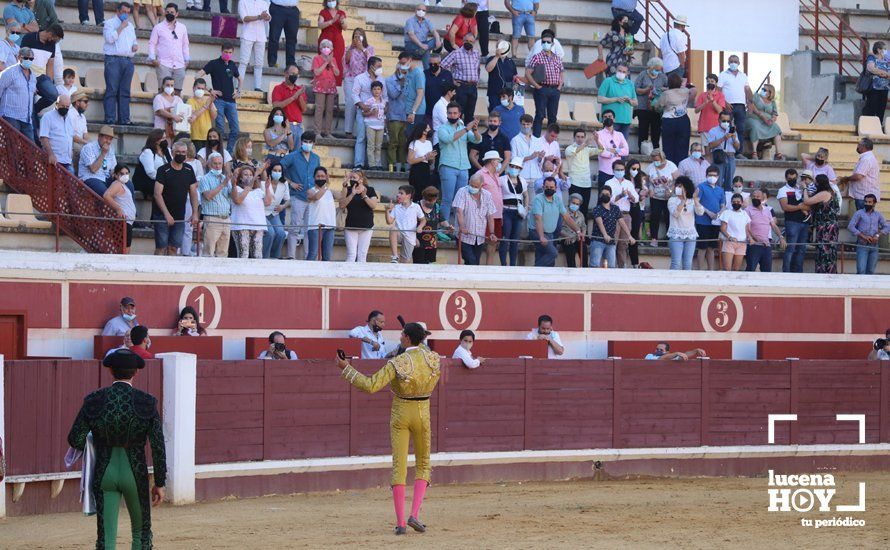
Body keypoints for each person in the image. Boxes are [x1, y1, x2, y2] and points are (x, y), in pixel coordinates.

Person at [336, 322, 440, 535]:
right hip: (423, 413)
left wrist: (346, 368)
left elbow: (371, 385)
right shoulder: (435, 359)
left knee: (399, 467)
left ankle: (401, 523)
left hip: (401, 413)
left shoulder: (397, 362)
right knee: (423, 463)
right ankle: (415, 514)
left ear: (408, 338)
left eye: (402, 334)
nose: (400, 337)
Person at [67, 349, 166, 549]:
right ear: (136, 372)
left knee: (106, 537)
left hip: (104, 473)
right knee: (141, 533)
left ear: (110, 370)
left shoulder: (94, 400)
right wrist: (160, 482)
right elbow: (157, 445)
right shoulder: (147, 402)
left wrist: (95, 439)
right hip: (135, 473)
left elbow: (75, 438)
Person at [153, 140, 199, 256]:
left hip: (179, 216)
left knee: (174, 248)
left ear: (187, 153)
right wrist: (166, 214)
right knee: (161, 248)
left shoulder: (189, 170)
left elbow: (193, 192)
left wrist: (195, 213)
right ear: (172, 153)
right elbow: (157, 194)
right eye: (178, 152)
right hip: (161, 215)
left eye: (183, 152)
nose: (181, 154)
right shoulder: (163, 170)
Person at [438, 102, 482, 223]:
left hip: (463, 167)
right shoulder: (442, 128)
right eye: (450, 113)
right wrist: (466, 129)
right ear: (446, 114)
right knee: (447, 199)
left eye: (455, 113)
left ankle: (459, 228)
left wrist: (475, 130)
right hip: (448, 166)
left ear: (459, 114)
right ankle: (444, 229)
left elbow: (477, 140)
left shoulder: (463, 127)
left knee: (462, 200)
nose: (452, 115)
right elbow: (448, 139)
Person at [280, 131, 320, 259]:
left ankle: (308, 257)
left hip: (312, 198)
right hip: (298, 196)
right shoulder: (293, 156)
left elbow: (318, 176)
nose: (307, 144)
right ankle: (291, 256)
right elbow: (280, 166)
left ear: (313, 143)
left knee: (309, 229)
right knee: (294, 228)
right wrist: (290, 182)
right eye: (305, 141)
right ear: (301, 142)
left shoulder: (316, 158)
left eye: (310, 142)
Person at [20, 24, 63, 142]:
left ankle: (34, 108)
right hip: (27, 76)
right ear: (50, 34)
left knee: (53, 94)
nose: (56, 42)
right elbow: (21, 59)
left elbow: (50, 65)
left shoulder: (52, 44)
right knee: (30, 111)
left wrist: (49, 81)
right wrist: (28, 80)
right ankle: (35, 141)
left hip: (41, 77)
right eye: (56, 39)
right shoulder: (29, 38)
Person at [199, 43, 241, 155]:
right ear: (221, 52)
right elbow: (197, 76)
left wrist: (238, 91)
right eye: (226, 52)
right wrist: (210, 90)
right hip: (219, 101)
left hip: (231, 101)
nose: (228, 54)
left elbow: (240, 79)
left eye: (230, 52)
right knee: (220, 129)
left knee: (235, 129)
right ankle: (220, 152)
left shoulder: (232, 65)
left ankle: (228, 152)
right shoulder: (214, 63)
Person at [530, 177, 582, 267]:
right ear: (543, 187)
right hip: (537, 232)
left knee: (545, 258)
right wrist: (541, 237)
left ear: (556, 188)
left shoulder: (557, 199)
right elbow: (538, 219)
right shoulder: (538, 199)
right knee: (553, 253)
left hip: (550, 233)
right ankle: (534, 270)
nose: (549, 189)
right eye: (547, 187)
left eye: (551, 187)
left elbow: (567, 217)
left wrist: (578, 230)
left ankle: (540, 278)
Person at [103, 3, 137, 126]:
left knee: (125, 92)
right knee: (112, 89)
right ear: (117, 11)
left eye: (128, 12)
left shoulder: (131, 25)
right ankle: (110, 118)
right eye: (123, 11)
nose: (126, 14)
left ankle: (124, 119)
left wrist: (135, 46)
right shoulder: (110, 23)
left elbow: (134, 40)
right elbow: (109, 39)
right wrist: (121, 27)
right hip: (113, 60)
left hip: (128, 60)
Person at [452, 173, 497, 265]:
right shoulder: (462, 191)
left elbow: (490, 216)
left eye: (475, 186)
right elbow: (459, 211)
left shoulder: (487, 195)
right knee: (471, 261)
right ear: (469, 182)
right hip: (464, 236)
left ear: (481, 185)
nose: (473, 187)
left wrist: (492, 233)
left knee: (475, 263)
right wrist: (462, 227)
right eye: (471, 185)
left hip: (479, 237)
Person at [525, 33, 564, 137]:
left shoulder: (557, 58)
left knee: (553, 117)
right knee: (540, 115)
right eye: (543, 42)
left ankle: (551, 139)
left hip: (555, 89)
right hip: (542, 88)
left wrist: (559, 87)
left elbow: (561, 73)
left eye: (548, 42)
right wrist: (537, 86)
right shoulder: (537, 57)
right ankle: (536, 139)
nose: (545, 43)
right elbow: (528, 73)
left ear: (552, 44)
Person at [231, 165, 272, 259]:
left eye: (251, 174)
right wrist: (252, 181)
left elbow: (267, 202)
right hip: (242, 226)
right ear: (240, 178)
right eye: (245, 174)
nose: (248, 176)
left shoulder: (258, 191)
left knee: (257, 255)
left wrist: (267, 188)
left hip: (258, 226)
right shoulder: (237, 189)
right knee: (243, 255)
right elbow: (238, 200)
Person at [147, 4, 189, 95]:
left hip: (179, 64)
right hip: (163, 64)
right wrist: (152, 58)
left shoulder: (182, 27)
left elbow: (185, 44)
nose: (169, 14)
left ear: (177, 14)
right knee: (163, 91)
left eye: (172, 12)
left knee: (177, 92)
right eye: (167, 12)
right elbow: (151, 43)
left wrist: (187, 59)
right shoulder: (158, 27)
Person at [441, 33, 481, 124]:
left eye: (471, 41)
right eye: (466, 41)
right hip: (461, 87)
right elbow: (442, 67)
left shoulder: (476, 53)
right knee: (458, 113)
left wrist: (477, 81)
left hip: (473, 88)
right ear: (463, 41)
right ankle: (457, 135)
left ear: (474, 43)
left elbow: (478, 69)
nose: (468, 43)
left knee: (470, 115)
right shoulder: (456, 53)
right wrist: (452, 81)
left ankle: (467, 136)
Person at [804, 174, 840, 274]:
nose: (815, 184)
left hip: (826, 226)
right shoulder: (831, 192)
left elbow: (807, 201)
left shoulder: (825, 193)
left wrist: (804, 188)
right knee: (827, 251)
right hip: (827, 225)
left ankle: (825, 273)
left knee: (824, 251)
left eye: (816, 182)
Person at [605, 160, 638, 268]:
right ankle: (611, 266)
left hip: (626, 215)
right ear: (613, 170)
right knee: (612, 242)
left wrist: (631, 197)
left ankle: (622, 267)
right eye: (617, 170)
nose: (620, 171)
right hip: (613, 215)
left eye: (622, 170)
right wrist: (620, 195)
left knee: (623, 244)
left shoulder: (628, 183)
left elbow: (636, 199)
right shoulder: (609, 183)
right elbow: (607, 200)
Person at [198, 152, 233, 258]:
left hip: (226, 219)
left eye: (220, 163)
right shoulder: (204, 179)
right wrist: (222, 184)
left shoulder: (225, 178)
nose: (218, 166)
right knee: (208, 252)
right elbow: (208, 196)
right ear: (209, 164)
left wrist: (234, 183)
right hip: (212, 219)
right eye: (215, 163)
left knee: (223, 253)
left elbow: (231, 196)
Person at [340, 169, 378, 262]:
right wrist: (352, 194)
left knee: (362, 255)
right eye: (351, 177)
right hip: (350, 226)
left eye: (354, 177)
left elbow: (373, 205)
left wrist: (364, 195)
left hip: (366, 227)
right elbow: (342, 205)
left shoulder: (370, 190)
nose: (352, 179)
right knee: (351, 254)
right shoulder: (347, 189)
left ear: (361, 179)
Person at [352, 56, 384, 169]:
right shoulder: (359, 78)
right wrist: (362, 106)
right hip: (363, 112)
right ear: (371, 67)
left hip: (377, 117)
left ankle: (376, 164)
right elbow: (354, 94)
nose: (380, 68)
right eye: (378, 66)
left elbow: (385, 97)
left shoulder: (381, 79)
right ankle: (359, 163)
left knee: (377, 142)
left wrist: (383, 111)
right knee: (361, 137)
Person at [343, 29, 375, 136]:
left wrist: (362, 49)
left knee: (363, 103)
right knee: (350, 104)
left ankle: (361, 132)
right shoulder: (349, 48)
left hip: (364, 79)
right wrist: (351, 48)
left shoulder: (369, 48)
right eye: (355, 36)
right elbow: (346, 61)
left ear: (363, 37)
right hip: (351, 78)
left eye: (359, 35)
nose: (357, 38)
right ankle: (348, 131)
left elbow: (372, 61)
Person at [717, 55, 752, 153]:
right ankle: (725, 150)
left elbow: (747, 89)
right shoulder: (723, 74)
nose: (733, 63)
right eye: (731, 61)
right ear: (728, 63)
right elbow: (718, 91)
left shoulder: (743, 75)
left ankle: (739, 152)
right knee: (725, 128)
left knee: (740, 129)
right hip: (728, 106)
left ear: (739, 63)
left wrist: (750, 102)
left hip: (741, 106)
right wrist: (724, 102)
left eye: (735, 61)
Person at [666, 176, 702, 270]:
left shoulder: (692, 201)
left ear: (686, 187)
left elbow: (700, 212)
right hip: (676, 234)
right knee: (676, 263)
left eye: (680, 186)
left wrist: (695, 200)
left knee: (688, 263)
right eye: (677, 186)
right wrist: (682, 201)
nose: (678, 188)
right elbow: (675, 214)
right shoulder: (672, 200)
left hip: (690, 235)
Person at [745, 188, 785, 273]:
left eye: (758, 197)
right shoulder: (747, 210)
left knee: (767, 272)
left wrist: (781, 237)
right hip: (754, 245)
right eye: (754, 196)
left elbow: (773, 225)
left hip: (766, 245)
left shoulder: (767, 210)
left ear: (763, 198)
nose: (755, 198)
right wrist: (756, 239)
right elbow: (746, 227)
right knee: (750, 270)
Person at [655, 73, 690, 166]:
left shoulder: (666, 94)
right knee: (683, 146)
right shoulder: (685, 91)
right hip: (684, 120)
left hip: (669, 121)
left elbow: (658, 106)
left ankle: (670, 167)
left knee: (668, 146)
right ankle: (681, 167)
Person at [693, 165, 724, 270]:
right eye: (710, 175)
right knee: (702, 247)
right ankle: (700, 270)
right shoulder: (701, 187)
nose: (712, 177)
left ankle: (711, 270)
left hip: (715, 222)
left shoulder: (720, 190)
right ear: (706, 175)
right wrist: (709, 212)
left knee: (711, 247)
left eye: (714, 175)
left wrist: (719, 213)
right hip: (702, 221)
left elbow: (723, 205)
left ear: (718, 176)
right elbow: (696, 201)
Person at [476, 151, 505, 263]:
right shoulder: (480, 174)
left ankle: (489, 266)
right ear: (492, 161)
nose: (498, 163)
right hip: (485, 214)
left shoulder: (496, 175)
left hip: (497, 214)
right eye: (497, 161)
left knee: (493, 241)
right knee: (483, 240)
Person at [590, 186, 630, 268]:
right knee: (594, 265)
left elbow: (622, 223)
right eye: (603, 194)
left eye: (607, 194)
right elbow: (599, 222)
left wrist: (629, 236)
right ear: (600, 195)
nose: (605, 195)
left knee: (611, 267)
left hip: (611, 242)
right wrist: (605, 235)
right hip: (598, 240)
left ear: (611, 196)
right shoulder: (597, 208)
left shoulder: (615, 208)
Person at [849, 194, 890, 274]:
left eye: (869, 202)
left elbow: (887, 227)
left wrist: (877, 235)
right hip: (862, 245)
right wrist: (862, 236)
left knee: (871, 271)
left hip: (874, 246)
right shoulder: (859, 213)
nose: (867, 204)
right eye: (866, 202)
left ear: (874, 203)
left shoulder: (878, 214)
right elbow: (850, 226)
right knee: (861, 270)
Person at [563, 128, 600, 215]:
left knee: (584, 209)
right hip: (574, 183)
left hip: (587, 183)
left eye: (582, 137)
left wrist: (597, 140)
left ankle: (584, 228)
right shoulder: (569, 148)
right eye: (578, 137)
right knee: (573, 209)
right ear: (574, 137)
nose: (580, 139)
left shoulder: (587, 149)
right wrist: (586, 144)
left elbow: (601, 150)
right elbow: (574, 152)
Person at [778, 169, 809, 273]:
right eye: (790, 178)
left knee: (801, 249)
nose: (792, 180)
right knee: (791, 249)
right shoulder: (783, 190)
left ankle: (798, 272)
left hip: (804, 222)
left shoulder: (802, 189)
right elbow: (785, 207)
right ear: (786, 178)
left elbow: (809, 205)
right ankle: (787, 272)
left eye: (794, 178)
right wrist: (800, 207)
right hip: (792, 222)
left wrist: (800, 207)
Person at [634, 57, 667, 153]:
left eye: (659, 70)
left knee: (656, 131)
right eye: (656, 69)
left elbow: (667, 88)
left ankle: (656, 152)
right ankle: (642, 150)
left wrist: (661, 90)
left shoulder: (663, 76)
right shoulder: (642, 75)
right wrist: (646, 90)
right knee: (643, 131)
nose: (658, 71)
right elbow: (636, 89)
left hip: (657, 108)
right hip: (643, 107)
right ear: (651, 67)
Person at [647, 148, 679, 246]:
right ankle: (654, 238)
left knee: (668, 217)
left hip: (668, 197)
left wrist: (670, 191)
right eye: (654, 160)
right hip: (656, 197)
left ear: (662, 158)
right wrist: (651, 189)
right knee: (654, 216)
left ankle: (669, 238)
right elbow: (648, 182)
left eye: (657, 160)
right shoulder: (650, 167)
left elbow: (678, 181)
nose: (656, 162)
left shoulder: (671, 165)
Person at [498, 157, 527, 266]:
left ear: (520, 169)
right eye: (512, 166)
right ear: (509, 166)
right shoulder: (502, 179)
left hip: (518, 212)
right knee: (505, 238)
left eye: (517, 167)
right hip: (506, 210)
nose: (514, 168)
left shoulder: (522, 180)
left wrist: (526, 207)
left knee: (515, 240)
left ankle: (513, 265)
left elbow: (526, 195)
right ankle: (504, 264)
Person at [0, 48, 34, 139]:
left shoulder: (33, 76)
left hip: (26, 119)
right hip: (10, 116)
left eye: (31, 59)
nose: (29, 61)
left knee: (31, 149)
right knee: (12, 148)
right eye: (26, 58)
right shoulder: (9, 72)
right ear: (19, 57)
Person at [386, 185, 426, 263]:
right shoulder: (396, 207)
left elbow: (423, 220)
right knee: (393, 229)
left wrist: (420, 227)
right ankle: (394, 256)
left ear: (409, 196)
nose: (398, 195)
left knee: (405, 262)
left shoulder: (416, 207)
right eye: (398, 193)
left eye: (401, 193)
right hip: (399, 234)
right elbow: (389, 222)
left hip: (410, 237)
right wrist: (387, 210)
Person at [305, 166, 338, 261]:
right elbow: (316, 197)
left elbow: (342, 198)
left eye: (323, 176)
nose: (320, 178)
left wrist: (345, 186)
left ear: (326, 177)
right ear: (314, 177)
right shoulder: (310, 191)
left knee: (327, 255)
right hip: (315, 226)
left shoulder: (330, 192)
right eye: (318, 176)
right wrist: (326, 186)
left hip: (329, 226)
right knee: (313, 253)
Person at [840, 138, 881, 211]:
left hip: (864, 195)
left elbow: (858, 176)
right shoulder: (868, 157)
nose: (857, 146)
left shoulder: (866, 159)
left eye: (859, 144)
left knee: (864, 219)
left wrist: (846, 178)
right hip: (865, 195)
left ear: (864, 147)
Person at [270, 64, 307, 146]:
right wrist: (293, 97)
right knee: (283, 152)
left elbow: (304, 109)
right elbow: (276, 106)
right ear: (285, 74)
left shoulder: (299, 90)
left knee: (296, 155)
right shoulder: (278, 88)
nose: (294, 76)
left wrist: (299, 95)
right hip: (283, 125)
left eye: (296, 74)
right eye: (292, 74)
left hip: (298, 127)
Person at [239, 0, 270, 93]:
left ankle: (257, 87)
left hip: (261, 35)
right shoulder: (243, 2)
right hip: (247, 34)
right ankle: (238, 86)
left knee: (259, 64)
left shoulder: (264, 2)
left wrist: (266, 17)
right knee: (243, 62)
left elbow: (268, 18)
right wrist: (260, 17)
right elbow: (245, 18)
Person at [103, 164, 137, 250]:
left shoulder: (123, 185)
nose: (125, 175)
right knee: (124, 250)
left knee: (126, 249)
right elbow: (107, 196)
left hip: (128, 222)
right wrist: (118, 209)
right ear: (116, 175)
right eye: (122, 173)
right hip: (123, 221)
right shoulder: (117, 184)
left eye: (127, 173)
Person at [747, 83, 784, 160]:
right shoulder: (756, 96)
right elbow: (751, 105)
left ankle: (778, 154)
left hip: (767, 122)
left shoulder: (772, 102)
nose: (762, 91)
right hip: (754, 118)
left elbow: (775, 114)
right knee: (755, 126)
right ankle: (754, 152)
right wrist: (761, 115)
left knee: (776, 128)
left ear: (770, 93)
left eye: (764, 90)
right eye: (762, 89)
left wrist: (772, 120)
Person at [705, 110, 740, 191]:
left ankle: (727, 200)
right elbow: (711, 145)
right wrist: (724, 138)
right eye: (724, 121)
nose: (726, 123)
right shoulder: (713, 131)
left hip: (731, 157)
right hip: (719, 157)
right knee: (718, 182)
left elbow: (738, 147)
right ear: (719, 120)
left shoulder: (733, 131)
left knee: (729, 182)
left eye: (728, 121)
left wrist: (734, 139)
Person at [38, 95, 75, 172]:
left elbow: (70, 137)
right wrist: (51, 154)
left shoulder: (70, 118)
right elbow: (44, 137)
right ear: (57, 104)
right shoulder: (48, 116)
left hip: (67, 160)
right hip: (54, 160)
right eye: (62, 106)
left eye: (67, 107)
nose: (65, 108)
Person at [414, 186, 450, 264]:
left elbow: (442, 220)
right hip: (418, 241)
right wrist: (414, 238)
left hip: (432, 242)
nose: (432, 203)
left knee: (430, 264)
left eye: (434, 200)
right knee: (418, 264)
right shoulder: (416, 206)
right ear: (424, 197)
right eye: (429, 201)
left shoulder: (436, 207)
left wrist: (448, 227)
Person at [596, 111, 630, 192]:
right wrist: (617, 151)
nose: (608, 118)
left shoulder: (619, 134)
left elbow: (626, 151)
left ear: (614, 119)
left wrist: (611, 150)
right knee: (603, 197)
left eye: (610, 116)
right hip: (604, 171)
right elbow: (602, 152)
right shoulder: (598, 134)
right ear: (602, 119)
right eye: (605, 117)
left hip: (617, 171)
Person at [313, 39, 340, 138]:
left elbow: (337, 73)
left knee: (329, 110)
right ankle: (317, 132)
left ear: (331, 49)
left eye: (328, 47)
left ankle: (328, 132)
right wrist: (325, 62)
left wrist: (331, 63)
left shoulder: (333, 60)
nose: (326, 48)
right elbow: (317, 72)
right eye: (324, 46)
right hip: (320, 87)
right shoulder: (316, 58)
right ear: (320, 48)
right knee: (319, 109)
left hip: (331, 87)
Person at [79, 126, 117, 197]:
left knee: (127, 185)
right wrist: (103, 153)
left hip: (105, 178)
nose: (108, 142)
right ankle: (114, 208)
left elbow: (113, 169)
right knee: (106, 194)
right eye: (106, 138)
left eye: (110, 139)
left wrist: (117, 176)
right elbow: (93, 169)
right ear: (99, 136)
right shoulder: (88, 148)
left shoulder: (111, 149)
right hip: (91, 178)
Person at [717, 193, 751, 272]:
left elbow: (747, 229)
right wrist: (729, 237)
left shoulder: (745, 214)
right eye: (734, 201)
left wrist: (750, 238)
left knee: (736, 269)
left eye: (738, 202)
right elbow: (722, 228)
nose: (736, 203)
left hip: (742, 243)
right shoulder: (727, 213)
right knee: (727, 269)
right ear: (731, 202)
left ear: (742, 203)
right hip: (729, 242)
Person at [386, 60, 409, 172]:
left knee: (403, 143)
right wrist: (401, 83)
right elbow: (393, 95)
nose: (404, 73)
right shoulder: (389, 80)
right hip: (394, 115)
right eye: (403, 70)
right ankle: (391, 165)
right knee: (393, 142)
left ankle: (402, 166)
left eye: (406, 71)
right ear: (397, 69)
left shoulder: (409, 79)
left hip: (406, 115)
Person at [510, 114, 545, 189]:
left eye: (528, 124)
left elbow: (539, 162)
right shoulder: (515, 140)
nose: (525, 126)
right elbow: (513, 160)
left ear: (532, 124)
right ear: (520, 124)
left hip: (536, 176)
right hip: (522, 176)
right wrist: (530, 157)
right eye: (523, 124)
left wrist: (540, 158)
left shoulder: (537, 140)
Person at [263, 164, 289, 258]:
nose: (277, 172)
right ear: (270, 171)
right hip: (262, 213)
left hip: (274, 213)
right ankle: (264, 257)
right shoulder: (263, 181)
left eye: (279, 171)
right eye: (275, 170)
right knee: (270, 233)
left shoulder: (284, 183)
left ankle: (274, 257)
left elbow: (288, 200)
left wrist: (282, 206)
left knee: (281, 234)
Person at [317, 0, 346, 86]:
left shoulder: (341, 13)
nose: (331, 2)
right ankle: (322, 83)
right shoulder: (323, 12)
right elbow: (320, 25)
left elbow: (345, 27)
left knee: (337, 61)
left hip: (338, 41)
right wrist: (331, 21)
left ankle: (336, 84)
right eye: (329, 0)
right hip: (325, 39)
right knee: (324, 60)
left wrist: (342, 21)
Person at [404, 4, 441, 68]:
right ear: (415, 11)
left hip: (423, 45)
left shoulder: (427, 21)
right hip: (411, 45)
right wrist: (421, 45)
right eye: (419, 9)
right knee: (426, 51)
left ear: (425, 12)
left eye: (423, 10)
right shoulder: (410, 21)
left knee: (438, 40)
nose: (421, 11)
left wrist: (438, 40)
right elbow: (411, 35)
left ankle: (422, 51)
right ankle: (427, 73)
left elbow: (434, 32)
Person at [485, 41, 517, 112]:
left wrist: (516, 80)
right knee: (494, 113)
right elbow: (488, 69)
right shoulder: (491, 58)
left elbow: (515, 75)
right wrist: (497, 56)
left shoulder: (510, 61)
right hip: (494, 93)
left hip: (507, 94)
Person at [267, 0, 300, 69]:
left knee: (292, 39)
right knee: (274, 37)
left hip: (293, 9)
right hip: (277, 8)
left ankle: (290, 63)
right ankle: (272, 62)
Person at [407, 123, 437, 198]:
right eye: (427, 128)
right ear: (423, 131)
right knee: (417, 192)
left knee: (425, 192)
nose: (429, 129)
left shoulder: (429, 143)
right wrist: (424, 157)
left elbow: (430, 161)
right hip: (416, 169)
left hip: (426, 169)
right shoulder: (414, 143)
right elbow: (410, 160)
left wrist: (432, 157)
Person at [363, 81, 388, 170]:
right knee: (371, 145)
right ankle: (372, 164)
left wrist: (385, 124)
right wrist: (371, 112)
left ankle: (378, 164)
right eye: (374, 89)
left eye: (378, 89)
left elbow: (384, 114)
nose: (376, 91)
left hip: (380, 126)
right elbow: (363, 113)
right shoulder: (369, 101)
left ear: (381, 90)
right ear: (371, 90)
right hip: (370, 125)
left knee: (378, 146)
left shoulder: (384, 102)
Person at [863, 41, 890, 121]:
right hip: (873, 88)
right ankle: (868, 128)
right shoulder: (872, 57)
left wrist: (885, 75)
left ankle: (878, 128)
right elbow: (871, 69)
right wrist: (884, 73)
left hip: (884, 89)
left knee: (881, 111)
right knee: (871, 109)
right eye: (884, 49)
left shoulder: (887, 59)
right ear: (879, 50)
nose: (886, 51)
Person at [404, 52, 427, 137]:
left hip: (416, 112)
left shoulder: (418, 73)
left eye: (403, 63)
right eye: (400, 63)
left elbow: (420, 94)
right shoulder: (407, 72)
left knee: (413, 137)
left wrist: (413, 112)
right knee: (408, 136)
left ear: (410, 60)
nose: (401, 65)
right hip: (408, 109)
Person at [152, 76, 183, 140]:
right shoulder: (158, 98)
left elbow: (182, 111)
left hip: (175, 130)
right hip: (161, 130)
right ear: (163, 86)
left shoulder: (178, 99)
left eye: (172, 85)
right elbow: (160, 111)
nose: (170, 87)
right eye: (167, 85)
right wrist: (174, 116)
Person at [560, 193, 587, 268]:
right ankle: (572, 270)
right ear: (569, 202)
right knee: (570, 249)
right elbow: (559, 228)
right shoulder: (563, 213)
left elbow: (584, 227)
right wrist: (566, 235)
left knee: (583, 248)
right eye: (573, 203)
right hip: (565, 237)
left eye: (577, 204)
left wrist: (583, 235)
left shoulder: (581, 215)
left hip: (577, 238)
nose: (575, 205)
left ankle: (585, 270)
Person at [659, 15, 689, 79]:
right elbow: (681, 54)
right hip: (676, 67)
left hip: (665, 67)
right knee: (676, 88)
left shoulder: (664, 35)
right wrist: (682, 67)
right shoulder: (679, 35)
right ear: (682, 26)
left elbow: (660, 53)